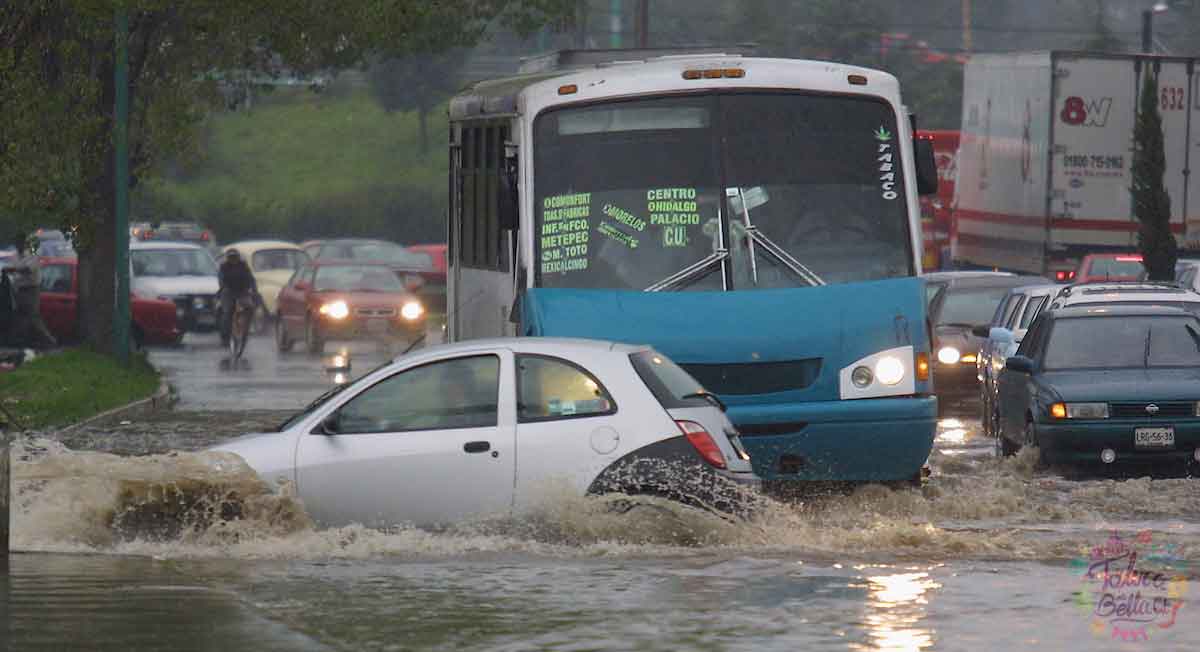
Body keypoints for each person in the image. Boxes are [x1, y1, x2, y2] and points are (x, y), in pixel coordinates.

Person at [3, 231, 56, 349]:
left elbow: (27, 269)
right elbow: (13, 272)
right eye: (17, 243)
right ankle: (19, 344)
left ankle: (50, 342)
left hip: (31, 290)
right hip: (19, 290)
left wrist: (12, 270)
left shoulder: (32, 254)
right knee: (20, 318)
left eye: (20, 242)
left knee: (33, 317)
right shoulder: (14, 256)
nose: (18, 245)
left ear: (25, 243)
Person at [217, 249, 259, 346]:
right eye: (231, 257)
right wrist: (223, 287)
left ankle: (247, 328)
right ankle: (225, 336)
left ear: (238, 257)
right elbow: (221, 279)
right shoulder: (223, 267)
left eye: (235, 257)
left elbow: (251, 278)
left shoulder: (243, 265)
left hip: (242, 292)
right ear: (227, 258)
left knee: (250, 307)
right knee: (227, 313)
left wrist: (254, 290)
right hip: (229, 292)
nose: (233, 259)